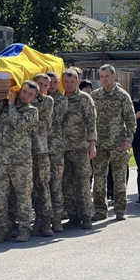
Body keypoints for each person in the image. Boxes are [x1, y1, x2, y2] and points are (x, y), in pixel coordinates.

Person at [0, 81, 39, 243]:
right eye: (24, 92)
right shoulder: (3, 107)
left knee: (23, 197)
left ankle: (24, 229)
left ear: (34, 97)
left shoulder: (32, 111)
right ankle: (2, 228)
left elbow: (19, 124)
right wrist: (3, 101)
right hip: (0, 162)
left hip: (20, 163)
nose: (26, 96)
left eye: (30, 94)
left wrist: (11, 106)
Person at [90, 64, 136, 221]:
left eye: (106, 76)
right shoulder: (95, 95)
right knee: (99, 180)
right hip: (100, 144)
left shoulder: (123, 96)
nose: (104, 79)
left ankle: (120, 209)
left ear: (114, 76)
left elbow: (131, 120)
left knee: (119, 179)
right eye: (101, 76)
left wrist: (128, 140)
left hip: (118, 144)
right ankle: (100, 211)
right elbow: (90, 119)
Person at [61, 69, 97, 229]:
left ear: (77, 81)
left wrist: (92, 145)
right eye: (66, 82)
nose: (69, 85)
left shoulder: (84, 98)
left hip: (81, 148)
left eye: (72, 82)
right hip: (63, 149)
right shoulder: (60, 100)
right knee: (67, 184)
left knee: (82, 184)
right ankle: (73, 215)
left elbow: (91, 122)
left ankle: (86, 216)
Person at [30, 73, 54, 236]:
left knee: (43, 187)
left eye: (46, 85)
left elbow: (42, 122)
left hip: (41, 149)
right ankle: (32, 220)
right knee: (27, 189)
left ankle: (45, 222)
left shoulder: (47, 101)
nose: (43, 88)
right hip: (24, 151)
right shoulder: (24, 98)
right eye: (40, 84)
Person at [46, 71, 68, 230]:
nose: (52, 85)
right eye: (48, 82)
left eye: (54, 82)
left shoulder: (61, 99)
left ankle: (57, 219)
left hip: (56, 148)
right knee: (41, 187)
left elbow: (54, 116)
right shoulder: (37, 98)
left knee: (56, 185)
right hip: (39, 149)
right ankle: (43, 219)